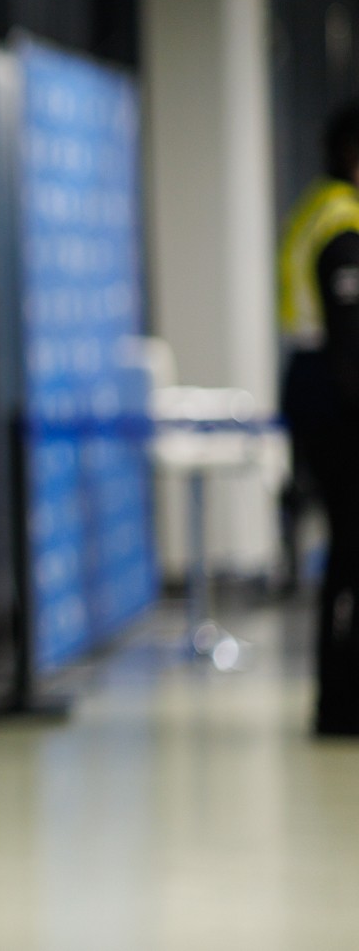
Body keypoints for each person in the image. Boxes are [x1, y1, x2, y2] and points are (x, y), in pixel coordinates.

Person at [279, 99, 359, 735]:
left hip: (316, 386)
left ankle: (338, 698)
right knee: (351, 549)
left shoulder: (318, 208)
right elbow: (350, 343)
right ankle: (341, 702)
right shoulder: (342, 223)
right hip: (334, 397)